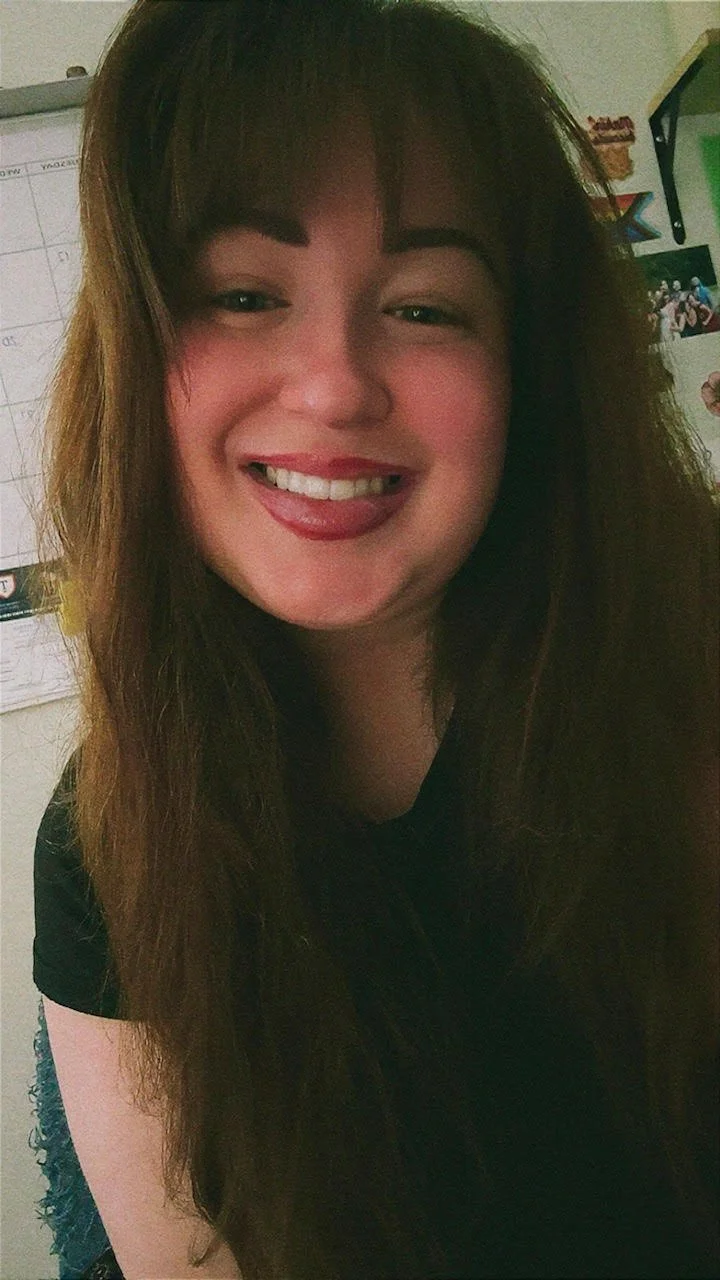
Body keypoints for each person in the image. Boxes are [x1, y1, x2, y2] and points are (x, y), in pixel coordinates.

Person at [30, 1, 719, 1277]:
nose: (336, 382)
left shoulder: (692, 682)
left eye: (426, 307)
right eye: (242, 292)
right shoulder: (105, 838)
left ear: (532, 375)